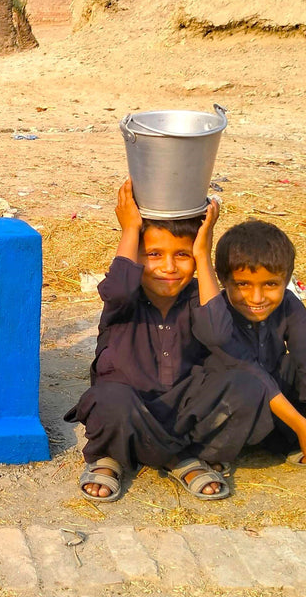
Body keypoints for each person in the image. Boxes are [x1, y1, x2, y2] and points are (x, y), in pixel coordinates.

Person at [65, 179, 233, 502]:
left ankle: (147, 454)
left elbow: (219, 334)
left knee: (231, 386)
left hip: (177, 414)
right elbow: (118, 287)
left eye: (182, 254)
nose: (168, 267)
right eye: (154, 254)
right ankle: (160, 458)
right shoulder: (124, 297)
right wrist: (130, 230)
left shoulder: (197, 296)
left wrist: (203, 254)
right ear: (137, 255)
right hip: (124, 409)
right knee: (110, 400)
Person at [189, 219, 306, 465]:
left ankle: (286, 442)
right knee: (246, 384)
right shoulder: (216, 318)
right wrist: (300, 423)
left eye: (271, 284)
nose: (256, 297)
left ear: (286, 281)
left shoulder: (288, 305)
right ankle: (204, 459)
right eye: (242, 284)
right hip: (227, 413)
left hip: (268, 412)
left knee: (294, 366)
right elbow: (251, 372)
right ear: (222, 278)